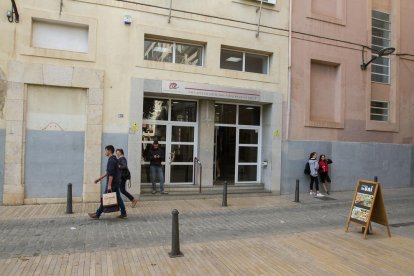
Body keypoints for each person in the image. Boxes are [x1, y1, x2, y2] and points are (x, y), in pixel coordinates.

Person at [89, 145, 127, 219]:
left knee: (105, 198)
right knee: (118, 198)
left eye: (106, 150)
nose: (105, 152)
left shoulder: (111, 160)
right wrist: (99, 179)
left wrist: (109, 185)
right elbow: (108, 172)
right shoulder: (114, 159)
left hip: (112, 183)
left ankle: (97, 214)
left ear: (109, 151)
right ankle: (123, 213)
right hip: (115, 182)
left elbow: (111, 175)